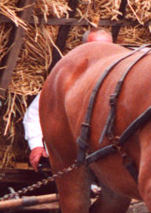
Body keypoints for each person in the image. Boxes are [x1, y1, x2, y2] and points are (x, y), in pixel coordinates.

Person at [23, 27, 114, 170]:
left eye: (108, 48)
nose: (102, 53)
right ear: (83, 49)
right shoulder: (69, 80)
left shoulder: (123, 82)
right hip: (73, 161)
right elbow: (34, 114)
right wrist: (37, 146)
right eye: (95, 47)